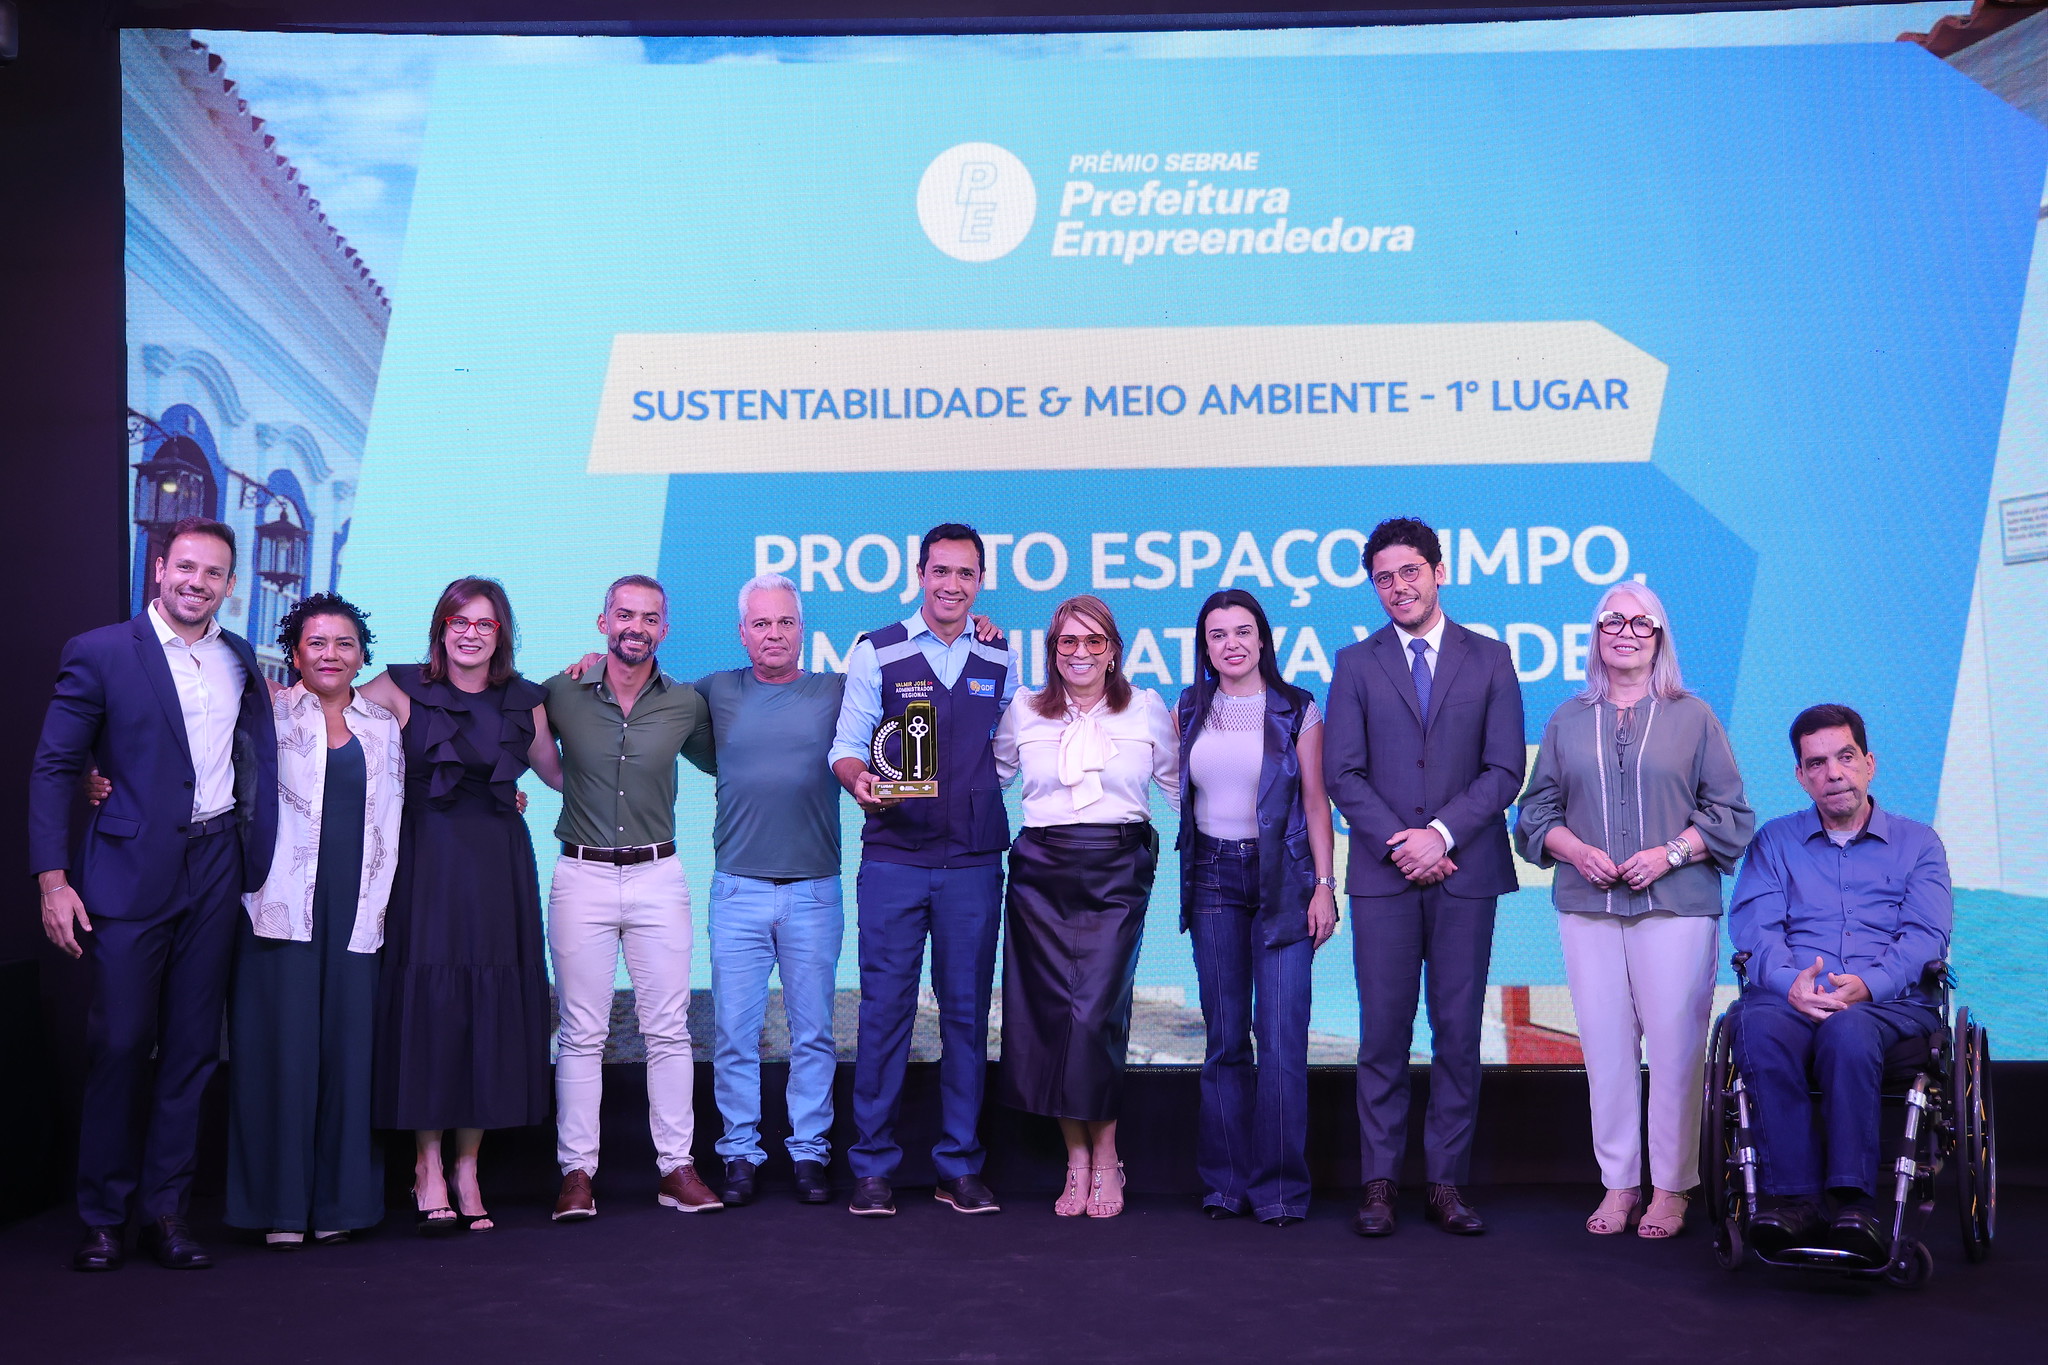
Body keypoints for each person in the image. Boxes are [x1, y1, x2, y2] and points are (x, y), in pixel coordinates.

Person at [29, 517, 280, 1272]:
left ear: (229, 585)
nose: (198, 582)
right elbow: (56, 765)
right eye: (186, 567)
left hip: (217, 864)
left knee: (194, 1050)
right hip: (129, 870)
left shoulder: (240, 658)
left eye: (214, 573)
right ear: (160, 568)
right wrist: (52, 879)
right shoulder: (102, 650)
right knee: (119, 1043)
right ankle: (103, 1217)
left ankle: (166, 1213)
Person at [1514, 584, 1753, 1239]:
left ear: (1659, 636)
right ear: (1596, 635)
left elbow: (1731, 813)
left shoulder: (1694, 717)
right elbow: (1534, 812)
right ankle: (1619, 1184)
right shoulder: (1567, 719)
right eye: (1611, 620)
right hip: (1587, 907)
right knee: (1606, 1050)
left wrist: (1669, 853)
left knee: (1676, 1050)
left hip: (1677, 907)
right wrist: (1576, 851)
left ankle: (1672, 1188)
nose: (1625, 631)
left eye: (1640, 622)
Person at [1324, 516, 1525, 1238]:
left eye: (1410, 571)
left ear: (1439, 572)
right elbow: (1342, 773)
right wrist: (1402, 845)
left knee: (1458, 1033)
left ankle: (1446, 1182)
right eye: (1383, 578)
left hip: (1465, 871)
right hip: (1384, 878)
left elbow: (1504, 768)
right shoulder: (1355, 664)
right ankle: (1379, 1183)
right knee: (1382, 1033)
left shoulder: (1492, 658)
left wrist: (1439, 835)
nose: (1398, 587)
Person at [358, 577, 562, 1235]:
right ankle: (426, 1165)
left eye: (485, 623)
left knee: (486, 1006)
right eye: (459, 621)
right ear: (440, 627)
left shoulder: (526, 701)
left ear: (502, 634)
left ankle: (468, 1167)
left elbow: (562, 774)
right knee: (431, 1006)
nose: (471, 633)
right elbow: (323, 716)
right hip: (425, 863)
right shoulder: (397, 686)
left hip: (498, 865)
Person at [829, 523, 1021, 1217]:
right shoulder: (876, 650)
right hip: (893, 860)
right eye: (941, 571)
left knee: (967, 1015)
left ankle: (959, 1165)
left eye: (966, 573)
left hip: (973, 861)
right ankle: (872, 1166)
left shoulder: (1000, 656)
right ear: (919, 573)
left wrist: (971, 794)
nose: (952, 585)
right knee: (884, 1012)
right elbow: (846, 747)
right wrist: (860, 781)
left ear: (980, 581)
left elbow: (1010, 752)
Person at [1726, 703, 1952, 1262]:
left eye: (1845, 757)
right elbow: (1756, 930)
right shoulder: (1774, 842)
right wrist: (1791, 984)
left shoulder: (1919, 843)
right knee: (1754, 1025)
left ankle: (1854, 1203)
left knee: (1848, 1031)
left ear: (1869, 763)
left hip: (1892, 1003)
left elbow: (1926, 934)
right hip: (1793, 998)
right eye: (1817, 763)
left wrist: (1869, 984)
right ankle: (1795, 1201)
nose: (1834, 773)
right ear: (1801, 776)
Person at [540, 574, 721, 1221]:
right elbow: (514, 744)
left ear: (663, 629)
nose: (635, 627)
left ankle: (676, 1167)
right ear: (604, 621)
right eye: (624, 614)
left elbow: (730, 762)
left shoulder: (686, 704)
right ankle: (576, 1174)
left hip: (658, 876)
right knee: (581, 1032)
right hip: (581, 877)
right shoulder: (560, 691)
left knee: (668, 1030)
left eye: (649, 618)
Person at [226, 593, 404, 1248]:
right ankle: (278, 1206)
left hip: (357, 910)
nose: (331, 654)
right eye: (317, 643)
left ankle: (341, 1202)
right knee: (279, 1058)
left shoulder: (384, 724)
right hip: (277, 909)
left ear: (362, 656)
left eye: (344, 643)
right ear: (295, 653)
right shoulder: (263, 715)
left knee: (350, 1059)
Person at [994, 595, 1178, 1219]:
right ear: (1053, 651)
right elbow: (989, 777)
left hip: (1117, 872)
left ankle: (1108, 1156)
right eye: (1067, 642)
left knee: (1095, 1015)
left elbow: (1181, 787)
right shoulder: (1023, 710)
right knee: (1050, 1019)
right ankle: (1076, 1159)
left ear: (1113, 651)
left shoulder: (1146, 708)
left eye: (1093, 641)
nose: (1080, 653)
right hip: (1040, 875)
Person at [1176, 589, 1337, 1227]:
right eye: (1217, 635)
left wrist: (1325, 885)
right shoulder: (1188, 706)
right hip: (1212, 879)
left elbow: (1317, 802)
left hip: (1285, 882)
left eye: (1243, 631)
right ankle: (1225, 1184)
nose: (1232, 644)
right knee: (1224, 1040)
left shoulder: (1298, 707)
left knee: (1281, 1042)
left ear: (1263, 639)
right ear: (1204, 646)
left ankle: (1279, 1191)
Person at [697, 575, 849, 1208]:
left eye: (785, 622)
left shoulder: (836, 691)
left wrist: (978, 630)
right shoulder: (715, 691)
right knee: (735, 1035)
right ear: (743, 632)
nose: (774, 634)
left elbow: (907, 687)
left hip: (814, 892)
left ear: (802, 629)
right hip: (738, 893)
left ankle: (810, 1152)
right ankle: (739, 1153)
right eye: (761, 623)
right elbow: (640, 694)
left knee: (813, 1035)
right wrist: (592, 662)